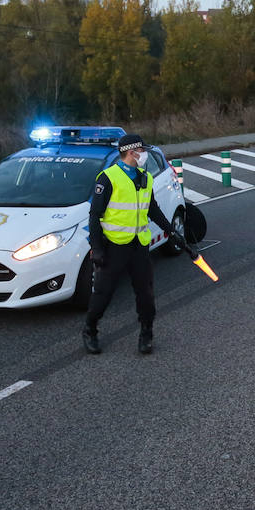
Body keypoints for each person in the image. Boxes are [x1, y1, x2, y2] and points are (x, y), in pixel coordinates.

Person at [82, 133, 186, 355]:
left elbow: (152, 209)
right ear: (132, 152)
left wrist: (172, 231)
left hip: (139, 245)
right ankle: (90, 329)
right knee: (103, 293)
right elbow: (94, 215)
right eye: (142, 151)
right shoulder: (107, 178)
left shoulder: (145, 177)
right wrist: (97, 248)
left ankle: (146, 333)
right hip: (114, 246)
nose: (145, 155)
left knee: (145, 294)